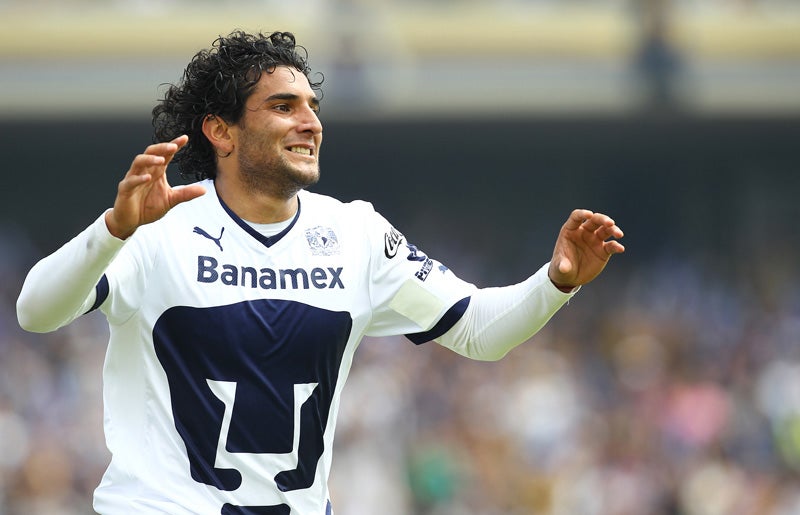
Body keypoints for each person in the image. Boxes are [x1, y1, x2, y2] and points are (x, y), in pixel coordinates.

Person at [16, 30, 624, 515]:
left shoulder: (357, 233)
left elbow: (478, 331)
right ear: (221, 131)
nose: (310, 122)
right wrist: (113, 229)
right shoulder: (155, 226)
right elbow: (35, 312)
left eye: (311, 106)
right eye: (283, 107)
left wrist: (556, 282)